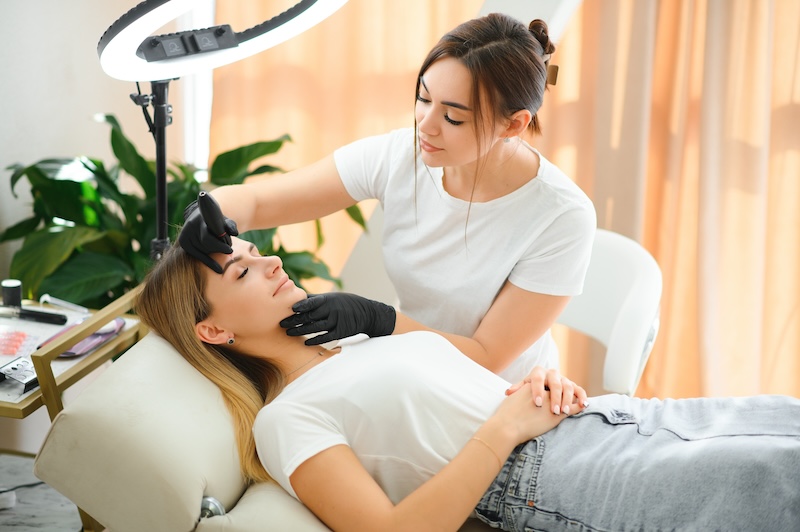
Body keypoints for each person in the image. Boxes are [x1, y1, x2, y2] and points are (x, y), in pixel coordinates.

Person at [137, 229, 800, 532]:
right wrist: (505, 428)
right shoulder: (286, 422)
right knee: (781, 477)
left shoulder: (347, 342)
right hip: (552, 479)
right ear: (213, 331)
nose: (273, 262)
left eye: (256, 253)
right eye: (244, 272)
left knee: (786, 417)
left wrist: (543, 387)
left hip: (605, 423)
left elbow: (474, 368)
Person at [206, 13, 598, 412]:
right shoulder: (399, 156)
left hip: (500, 402)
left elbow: (485, 357)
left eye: (453, 117)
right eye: (424, 98)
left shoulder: (561, 216)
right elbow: (258, 202)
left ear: (513, 125)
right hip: (411, 377)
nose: (425, 125)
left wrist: (379, 320)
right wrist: (207, 213)